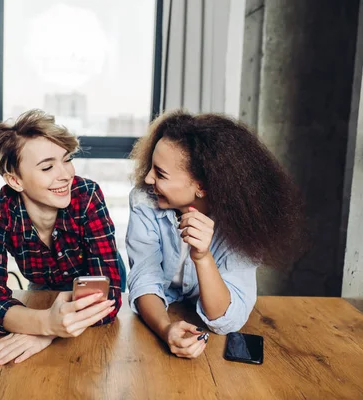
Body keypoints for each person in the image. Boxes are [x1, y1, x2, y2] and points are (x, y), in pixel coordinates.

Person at [126, 110, 305, 359]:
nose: (147, 178)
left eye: (160, 173)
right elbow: (144, 279)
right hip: (160, 314)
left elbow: (227, 320)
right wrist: (166, 329)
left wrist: (202, 257)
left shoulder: (245, 221)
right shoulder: (145, 201)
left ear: (202, 185)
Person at [0, 109, 123, 365]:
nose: (65, 174)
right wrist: (47, 323)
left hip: (91, 280)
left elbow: (108, 302)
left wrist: (47, 332)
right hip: (43, 287)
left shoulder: (87, 195)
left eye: (67, 159)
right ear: (15, 180)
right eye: (47, 167)